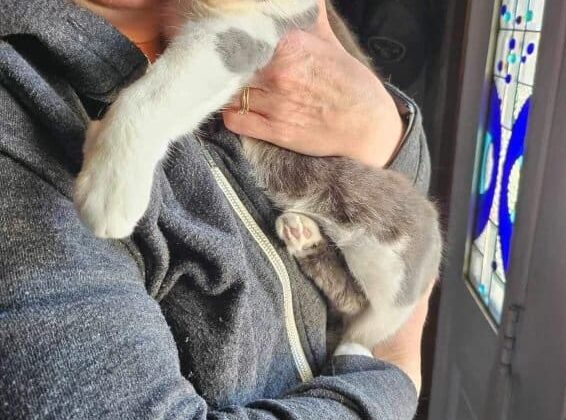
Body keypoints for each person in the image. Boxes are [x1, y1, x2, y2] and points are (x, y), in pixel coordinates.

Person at [0, 0, 434, 418]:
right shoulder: (20, 111)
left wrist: (385, 130)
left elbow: (402, 196)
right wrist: (392, 378)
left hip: (356, 275)